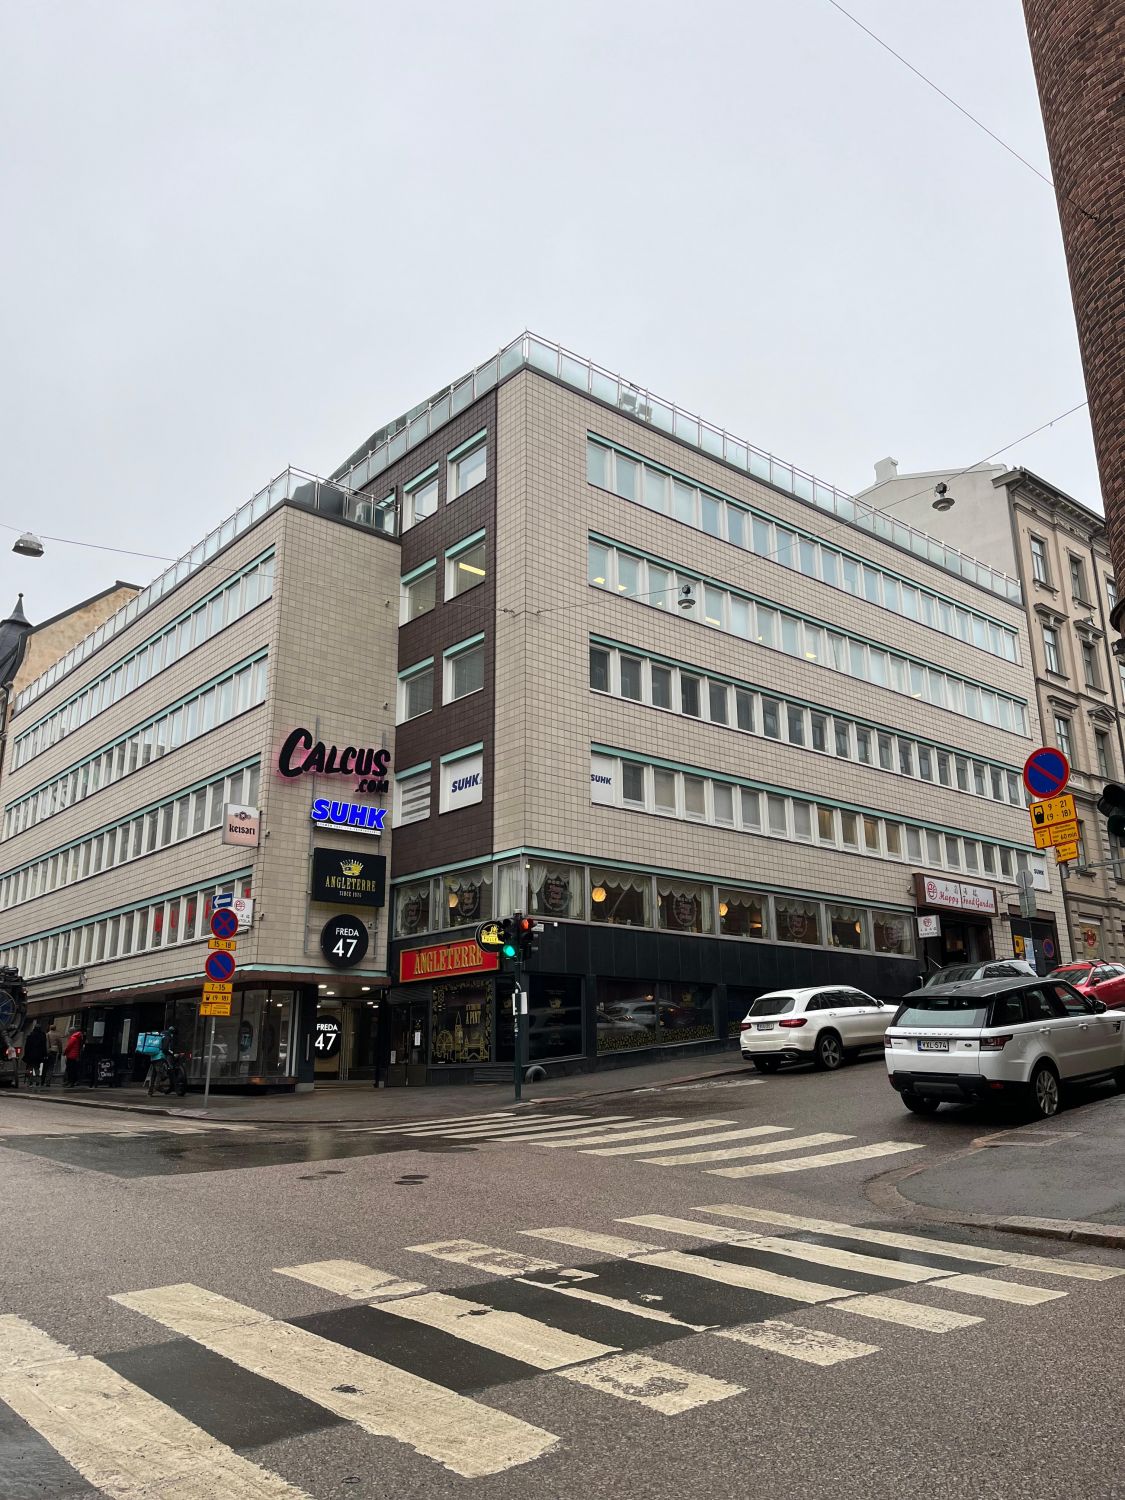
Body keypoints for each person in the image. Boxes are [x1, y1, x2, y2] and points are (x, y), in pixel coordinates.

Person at [23, 1020, 46, 1087]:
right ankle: (37, 1081)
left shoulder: (30, 1036)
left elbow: (27, 1047)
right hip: (39, 1056)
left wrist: (25, 1055)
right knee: (37, 1068)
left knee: (30, 1068)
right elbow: (44, 1047)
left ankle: (29, 1081)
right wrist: (44, 1055)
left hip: (30, 1055)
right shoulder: (42, 1036)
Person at [44, 1022, 61, 1088]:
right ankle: (48, 1082)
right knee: (51, 1067)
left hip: (47, 1052)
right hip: (54, 1051)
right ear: (55, 1028)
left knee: (45, 1066)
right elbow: (60, 1044)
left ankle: (42, 1081)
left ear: (50, 1028)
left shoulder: (47, 1034)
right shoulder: (57, 1035)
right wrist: (60, 1052)